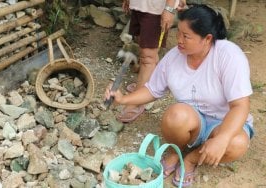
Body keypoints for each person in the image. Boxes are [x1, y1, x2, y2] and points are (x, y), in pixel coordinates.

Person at [105, 4, 254, 187]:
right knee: (175, 115)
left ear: (207, 39)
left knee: (237, 144)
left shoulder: (229, 55)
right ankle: (176, 151)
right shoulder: (175, 57)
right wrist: (123, 99)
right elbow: (153, 90)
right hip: (193, 120)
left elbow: (241, 105)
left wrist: (222, 139)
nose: (179, 41)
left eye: (186, 36)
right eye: (179, 33)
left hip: (225, 121)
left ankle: (191, 159)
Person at [119, 0, 187, 123]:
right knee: (144, 47)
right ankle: (148, 86)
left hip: (156, 9)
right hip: (141, 5)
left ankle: (138, 102)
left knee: (148, 57)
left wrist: (169, 8)